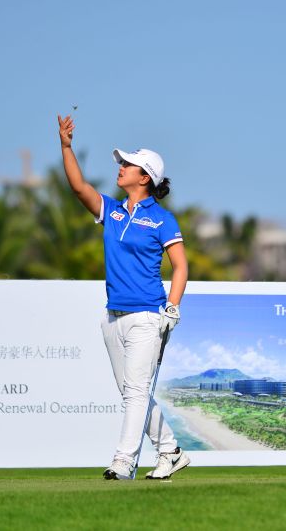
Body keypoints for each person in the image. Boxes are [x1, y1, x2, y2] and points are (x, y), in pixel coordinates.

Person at [57, 114, 190, 480]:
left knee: (134, 393)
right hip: (112, 317)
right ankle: (171, 451)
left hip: (147, 316)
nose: (121, 168)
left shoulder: (163, 220)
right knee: (134, 394)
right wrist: (66, 146)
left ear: (144, 177)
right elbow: (79, 187)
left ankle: (123, 462)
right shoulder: (112, 212)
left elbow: (180, 267)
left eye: (128, 165)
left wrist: (172, 307)